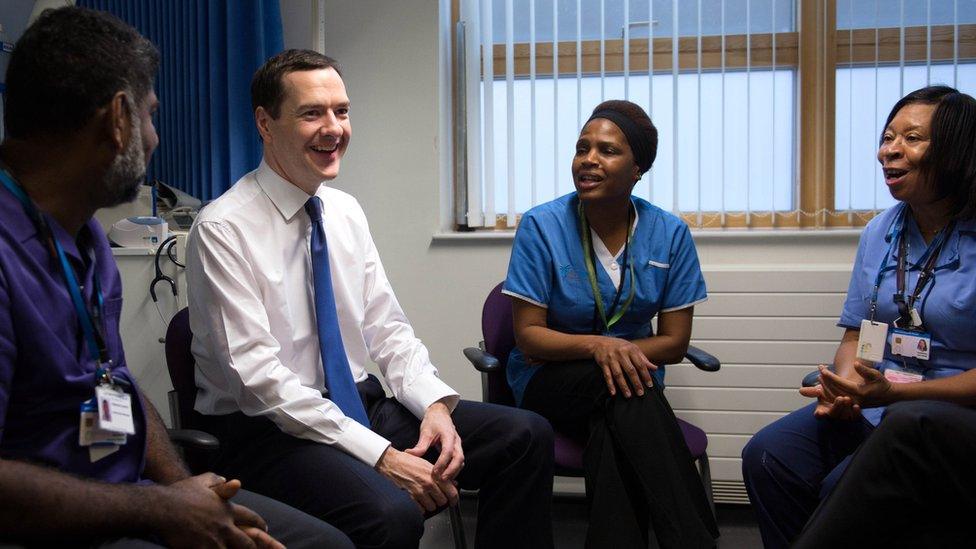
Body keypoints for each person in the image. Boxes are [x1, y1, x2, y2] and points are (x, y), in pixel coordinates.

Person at [0, 8, 353, 548]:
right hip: (54, 523)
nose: (155, 137)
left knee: (325, 543)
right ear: (118, 119)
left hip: (126, 491)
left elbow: (114, 382)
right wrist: (158, 507)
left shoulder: (86, 238)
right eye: (149, 116)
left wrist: (188, 491)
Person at [185, 49, 555, 549]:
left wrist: (434, 406)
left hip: (357, 402)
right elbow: (258, 382)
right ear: (265, 124)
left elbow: (388, 328)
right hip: (266, 430)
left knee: (524, 436)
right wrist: (381, 455)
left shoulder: (343, 211)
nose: (334, 128)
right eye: (312, 113)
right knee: (391, 513)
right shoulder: (223, 228)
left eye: (342, 110)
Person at [741, 85, 976, 549]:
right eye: (888, 137)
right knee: (770, 456)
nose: (890, 150)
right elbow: (857, 334)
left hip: (951, 419)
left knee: (844, 489)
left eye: (912, 139)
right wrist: (846, 390)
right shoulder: (882, 231)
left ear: (957, 149)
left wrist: (891, 393)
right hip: (881, 404)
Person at [503, 100, 719, 548]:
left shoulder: (669, 233)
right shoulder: (542, 226)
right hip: (550, 378)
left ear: (638, 168)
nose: (588, 160)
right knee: (622, 390)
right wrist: (600, 346)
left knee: (614, 430)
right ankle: (696, 540)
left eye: (607, 150)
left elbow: (676, 343)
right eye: (582, 148)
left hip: (630, 381)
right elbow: (528, 336)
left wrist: (621, 353)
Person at [792, 401, 976, 548]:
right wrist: (845, 386)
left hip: (944, 408)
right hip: (879, 403)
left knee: (906, 425)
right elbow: (857, 353)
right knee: (772, 450)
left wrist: (893, 392)